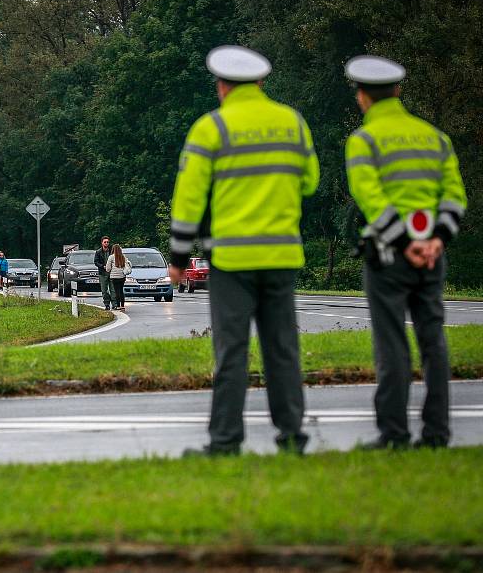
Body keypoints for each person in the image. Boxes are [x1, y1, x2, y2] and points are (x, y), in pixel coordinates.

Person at [168, 45, 320, 456]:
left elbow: (188, 199)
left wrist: (180, 257)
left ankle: (225, 442)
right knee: (283, 350)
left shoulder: (210, 129)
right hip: (281, 257)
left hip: (232, 261)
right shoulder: (292, 123)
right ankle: (292, 437)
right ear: (261, 83)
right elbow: (310, 182)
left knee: (232, 352)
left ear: (221, 86)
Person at [344, 55, 467, 450]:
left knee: (392, 344)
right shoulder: (434, 137)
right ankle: (437, 433)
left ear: (362, 97)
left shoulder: (364, 141)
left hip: (388, 256)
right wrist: (435, 241)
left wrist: (404, 244)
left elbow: (371, 199)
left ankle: (394, 433)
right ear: (398, 91)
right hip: (432, 255)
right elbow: (454, 196)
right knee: (434, 342)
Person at [105, 243, 132, 311]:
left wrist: (109, 269)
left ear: (113, 249)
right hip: (122, 276)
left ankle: (118, 305)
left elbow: (108, 268)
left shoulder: (111, 257)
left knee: (116, 291)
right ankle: (122, 305)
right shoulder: (123, 256)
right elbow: (127, 265)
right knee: (121, 291)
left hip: (114, 277)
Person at [94, 236, 116, 310]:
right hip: (102, 273)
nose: (106, 243)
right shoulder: (98, 252)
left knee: (113, 289)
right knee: (104, 290)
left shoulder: (112, 251)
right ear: (102, 243)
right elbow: (96, 262)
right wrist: (102, 266)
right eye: (105, 242)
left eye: (107, 242)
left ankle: (114, 304)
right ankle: (106, 304)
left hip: (112, 272)